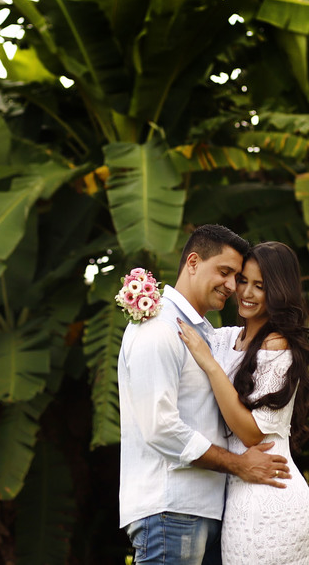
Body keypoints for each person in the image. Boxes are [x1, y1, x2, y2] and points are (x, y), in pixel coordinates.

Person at [119, 224, 291, 565]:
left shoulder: (207, 335)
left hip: (206, 512)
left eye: (237, 277)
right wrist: (239, 465)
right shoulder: (159, 328)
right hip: (170, 511)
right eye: (225, 272)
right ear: (193, 262)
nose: (232, 286)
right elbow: (160, 427)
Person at [177, 241, 309, 565]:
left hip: (269, 496)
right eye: (243, 281)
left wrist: (211, 366)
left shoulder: (276, 345)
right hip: (241, 494)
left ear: (279, 292)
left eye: (260, 286)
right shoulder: (228, 339)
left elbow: (251, 434)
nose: (247, 293)